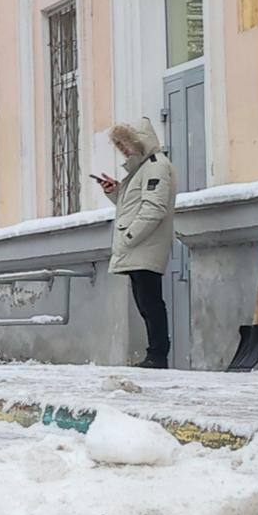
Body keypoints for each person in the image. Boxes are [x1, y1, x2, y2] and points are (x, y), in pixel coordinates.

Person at [97, 118, 176, 369]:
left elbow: (154, 208)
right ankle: (154, 354)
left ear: (140, 142)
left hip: (144, 245)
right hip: (138, 245)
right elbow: (130, 205)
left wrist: (130, 236)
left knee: (150, 301)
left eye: (127, 145)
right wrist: (114, 191)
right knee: (144, 301)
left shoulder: (155, 166)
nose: (124, 151)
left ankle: (158, 354)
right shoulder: (140, 170)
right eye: (120, 146)